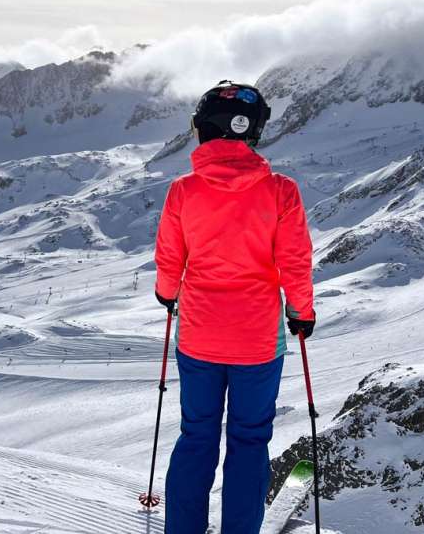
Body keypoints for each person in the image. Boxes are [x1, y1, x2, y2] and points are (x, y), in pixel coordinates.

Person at [154, 81, 315, 534]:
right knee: (248, 441)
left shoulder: (183, 191)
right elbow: (294, 261)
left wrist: (168, 293)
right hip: (258, 341)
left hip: (200, 337)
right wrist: (301, 312)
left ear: (203, 130)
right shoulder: (280, 191)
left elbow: (170, 258)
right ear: (254, 131)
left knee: (197, 437)